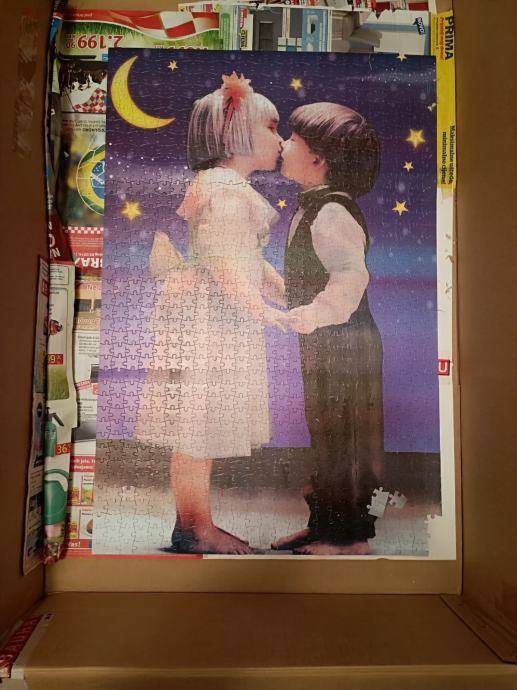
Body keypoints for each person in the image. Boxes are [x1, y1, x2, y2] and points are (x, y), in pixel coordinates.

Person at [135, 72, 287, 554]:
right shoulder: (225, 189)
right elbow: (222, 260)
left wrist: (283, 292)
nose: (281, 140)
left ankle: (194, 523)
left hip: (217, 313)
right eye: (272, 128)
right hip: (211, 319)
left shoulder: (226, 187)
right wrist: (261, 307)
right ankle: (195, 525)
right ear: (236, 134)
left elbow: (244, 255)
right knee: (196, 425)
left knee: (199, 424)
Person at [272, 102, 384, 555]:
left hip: (346, 344)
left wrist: (314, 313)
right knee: (324, 433)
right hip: (323, 342)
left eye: (293, 140)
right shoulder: (311, 206)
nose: (283, 145)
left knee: (346, 437)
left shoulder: (333, 212)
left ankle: (349, 536)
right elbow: (308, 277)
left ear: (319, 158)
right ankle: (323, 524)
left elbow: (350, 279)